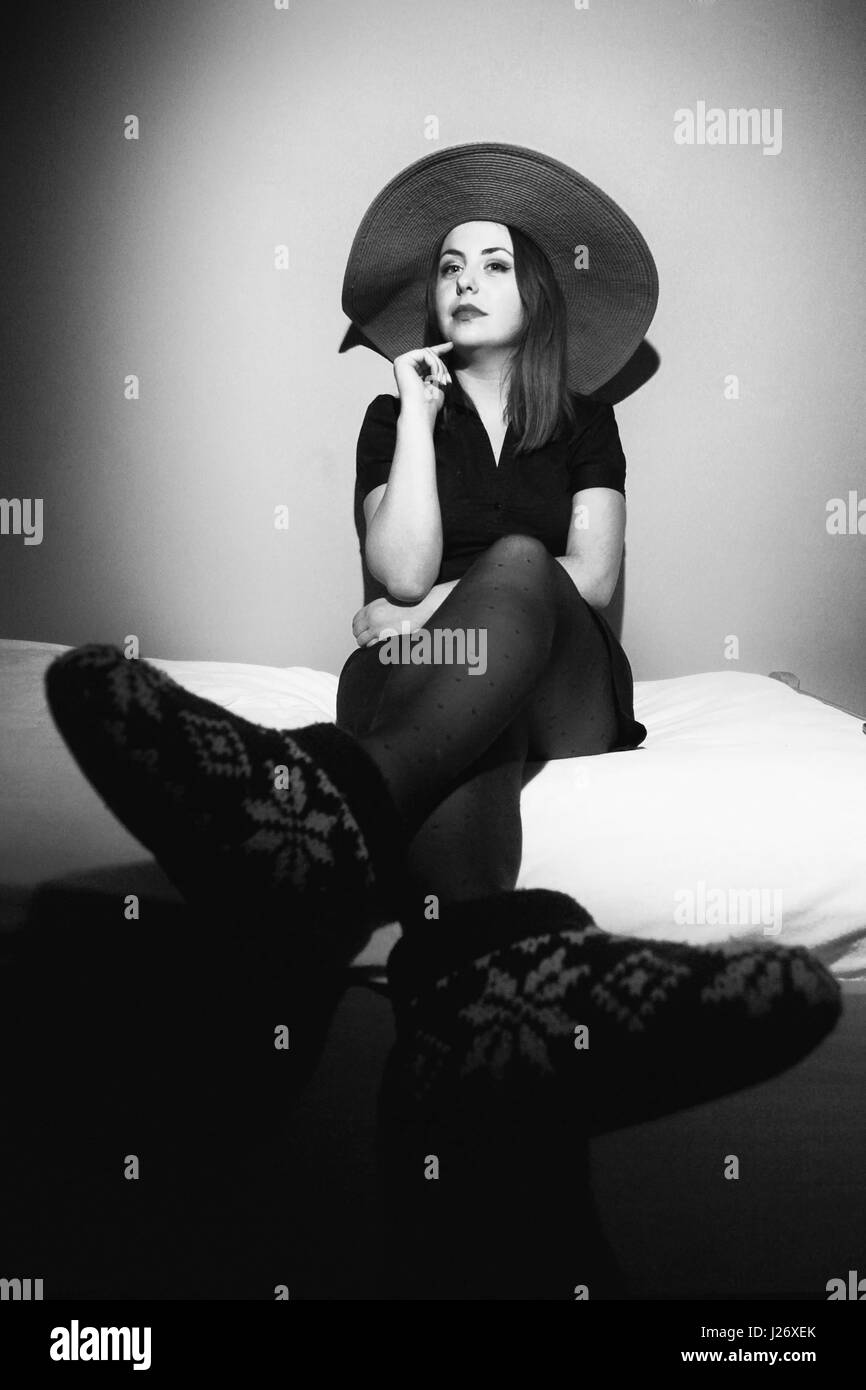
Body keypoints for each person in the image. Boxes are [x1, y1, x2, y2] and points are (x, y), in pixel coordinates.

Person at [44, 142, 841, 1159]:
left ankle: (318, 814)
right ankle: (474, 997)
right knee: (471, 729)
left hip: (559, 671)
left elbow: (582, 581)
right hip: (429, 680)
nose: (465, 279)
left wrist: (434, 615)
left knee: (519, 562)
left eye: (494, 262)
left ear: (538, 293)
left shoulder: (582, 423)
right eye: (449, 266)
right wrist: (416, 416)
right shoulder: (392, 414)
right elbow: (402, 565)